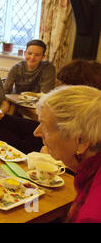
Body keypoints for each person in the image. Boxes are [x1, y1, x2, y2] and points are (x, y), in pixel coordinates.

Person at [33, 85, 101, 222]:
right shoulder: (89, 172)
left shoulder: (92, 215)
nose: (36, 133)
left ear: (81, 141)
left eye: (45, 126)